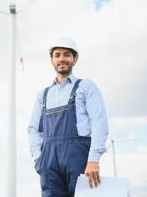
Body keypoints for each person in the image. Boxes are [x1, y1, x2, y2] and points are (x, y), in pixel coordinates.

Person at [27, 36, 109, 197]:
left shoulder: (86, 87)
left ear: (75, 59)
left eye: (67, 54)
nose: (62, 59)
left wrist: (93, 159)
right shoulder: (43, 95)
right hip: (49, 161)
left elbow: (99, 121)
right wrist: (38, 159)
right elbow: (32, 129)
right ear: (52, 60)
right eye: (57, 55)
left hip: (78, 158)